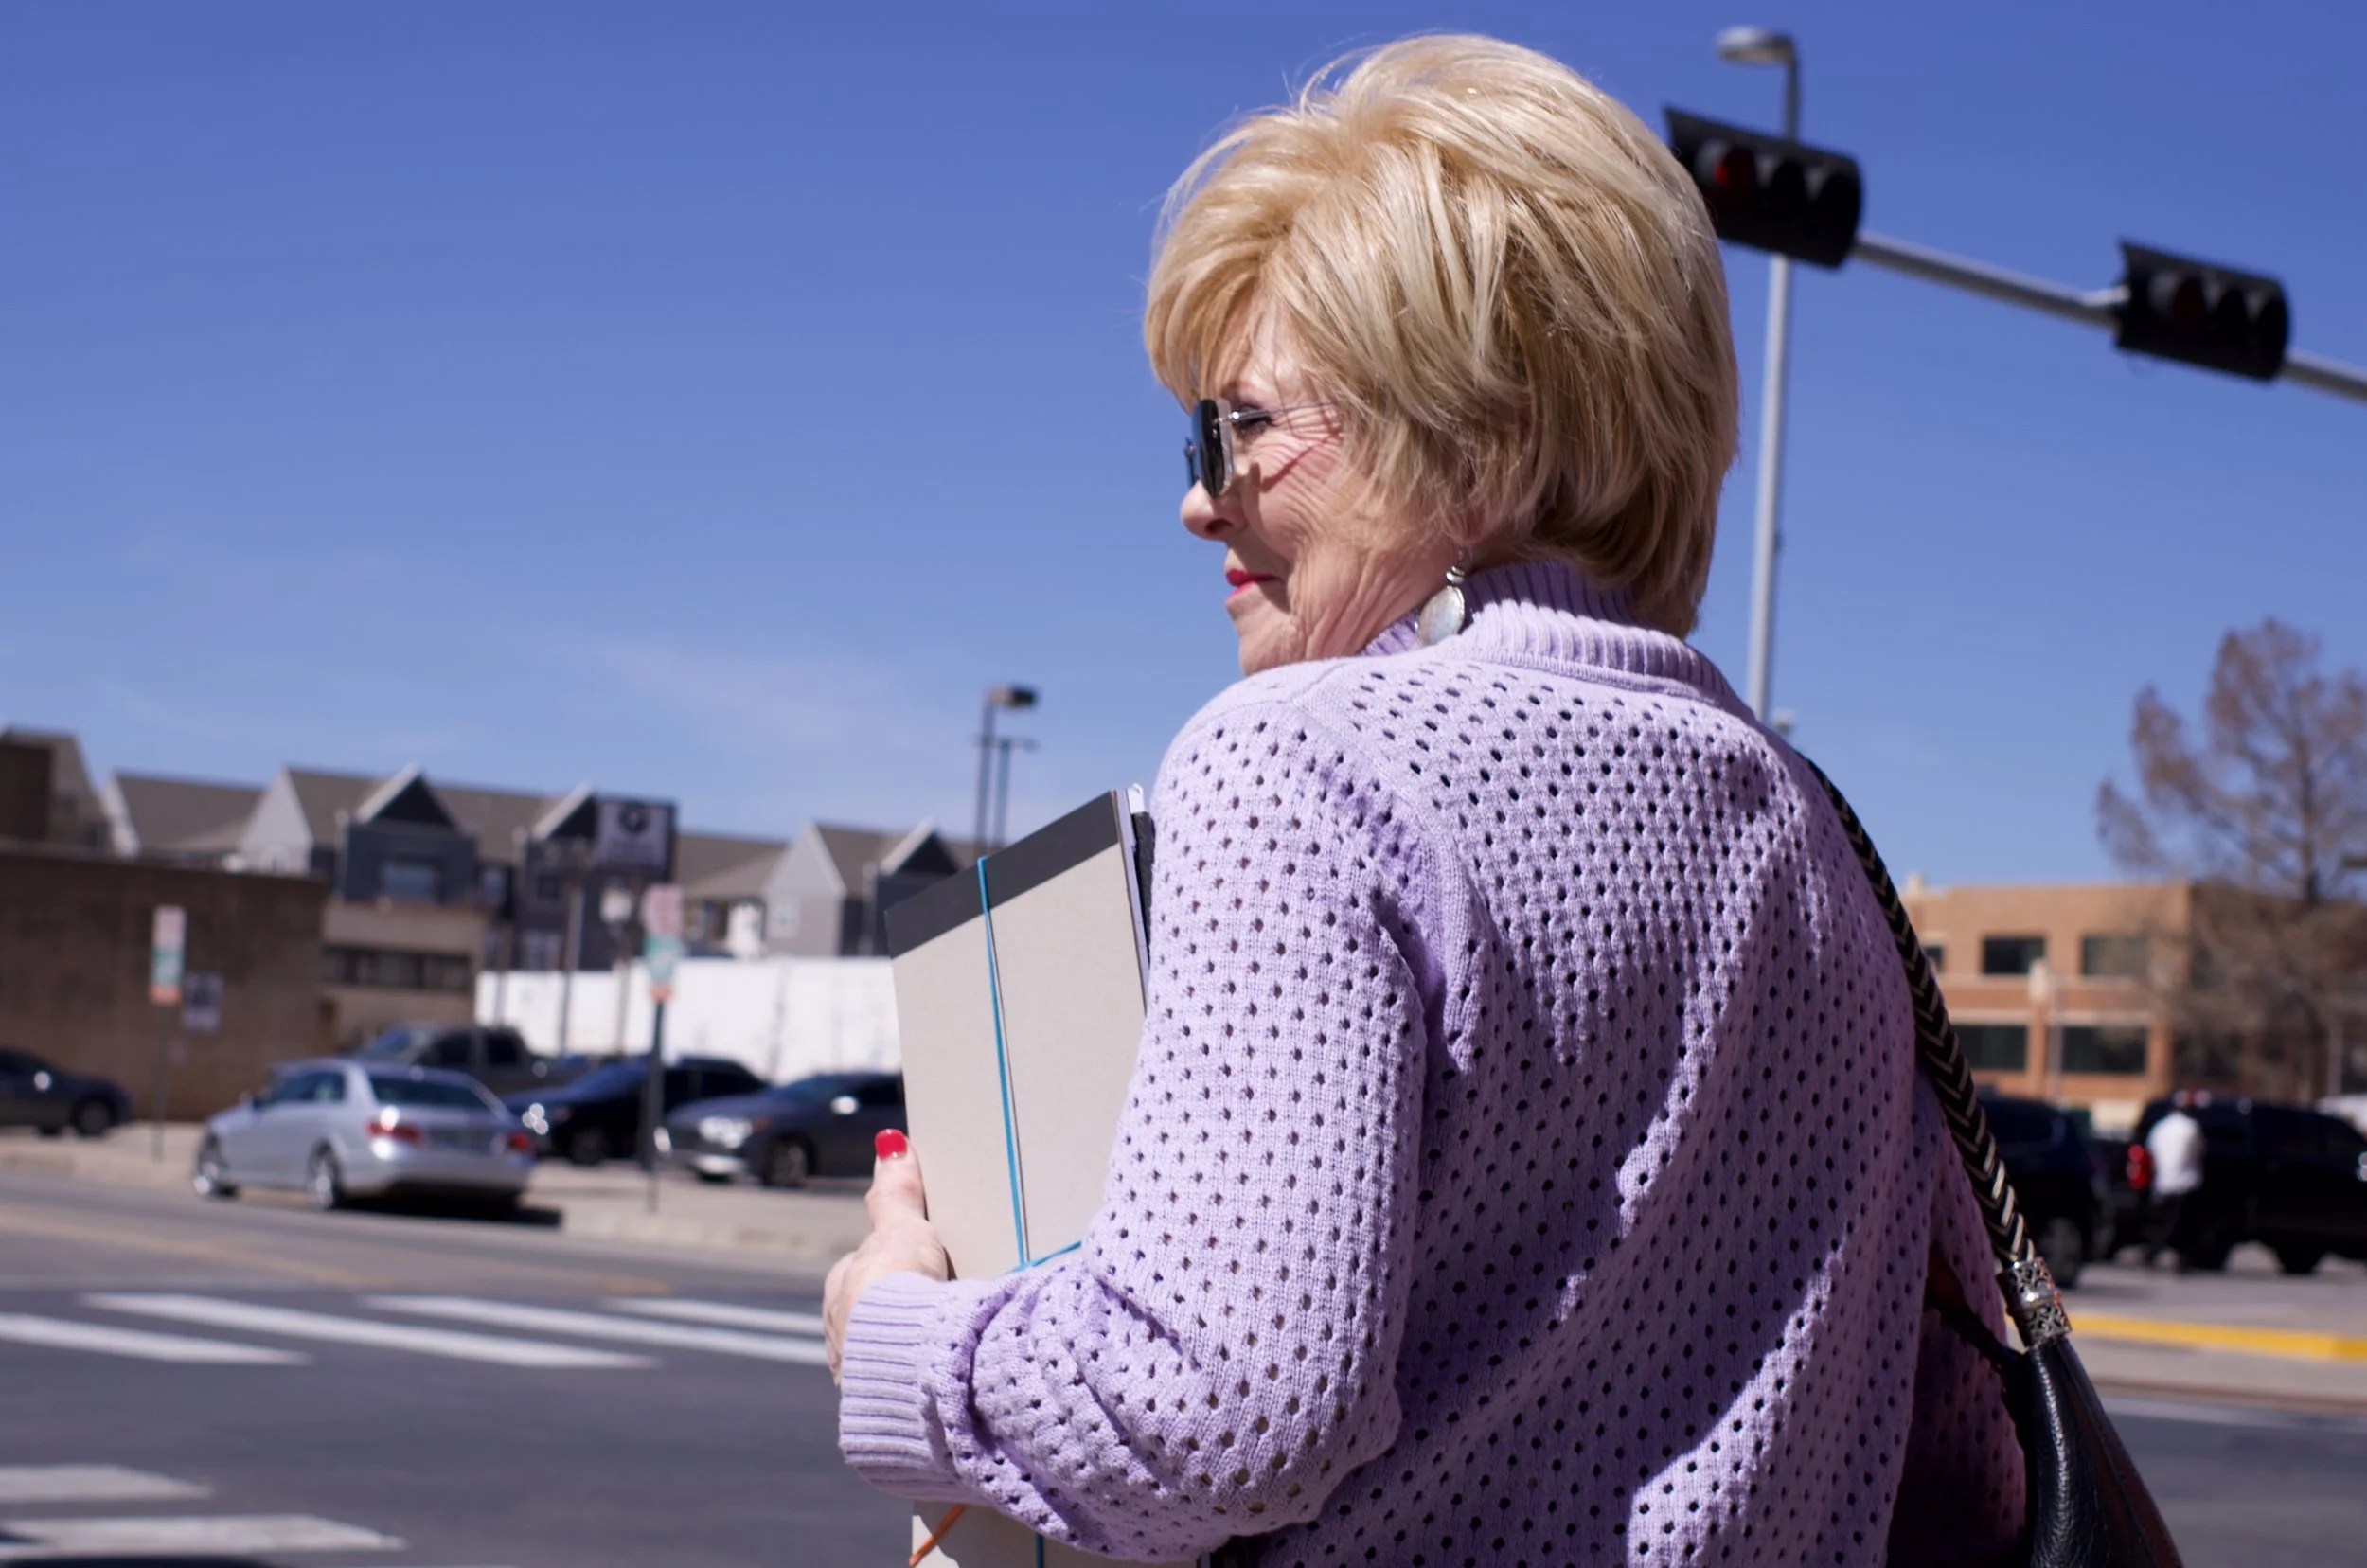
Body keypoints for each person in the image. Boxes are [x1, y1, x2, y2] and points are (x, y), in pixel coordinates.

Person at [827, 35, 2023, 1566]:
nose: (1198, 497)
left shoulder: (1304, 762)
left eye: (1240, 427)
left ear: (1459, 417)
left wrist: (897, 1337)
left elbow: (1217, 1410)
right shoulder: (1817, 838)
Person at [2144, 1100, 2206, 1268]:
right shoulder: (2191, 1127)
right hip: (2185, 1184)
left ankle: (2152, 1253)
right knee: (2183, 1225)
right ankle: (2182, 1258)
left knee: (2163, 1224)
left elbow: (2150, 1152)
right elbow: (2198, 1151)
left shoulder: (2160, 1127)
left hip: (2162, 1183)